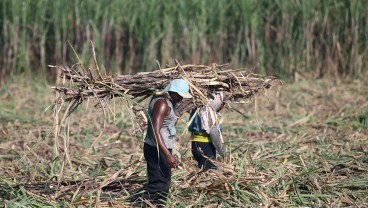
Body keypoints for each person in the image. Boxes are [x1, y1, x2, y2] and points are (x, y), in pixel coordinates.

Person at [131, 79, 192, 206]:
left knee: (162, 182)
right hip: (157, 148)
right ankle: (136, 203)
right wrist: (168, 155)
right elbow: (155, 131)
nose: (181, 99)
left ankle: (156, 204)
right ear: (172, 92)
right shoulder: (162, 104)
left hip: (159, 147)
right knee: (159, 184)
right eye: (180, 96)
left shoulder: (165, 101)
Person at [189, 92, 226, 170]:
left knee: (204, 170)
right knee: (210, 171)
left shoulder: (198, 109)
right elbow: (213, 132)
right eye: (222, 102)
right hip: (204, 145)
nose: (223, 105)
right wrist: (221, 149)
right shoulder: (208, 113)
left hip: (196, 143)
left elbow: (190, 128)